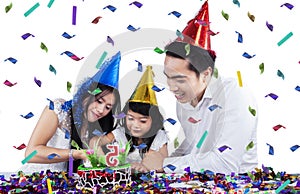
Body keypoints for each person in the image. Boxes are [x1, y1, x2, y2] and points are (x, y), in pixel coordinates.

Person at [142, 1, 258, 174]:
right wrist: (151, 165)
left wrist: (164, 164)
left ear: (205, 74)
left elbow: (225, 164)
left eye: (180, 79)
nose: (172, 87)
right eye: (168, 78)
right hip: (200, 184)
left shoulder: (235, 94)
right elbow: (192, 149)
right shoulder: (185, 99)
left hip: (239, 186)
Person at [20, 51, 122, 173]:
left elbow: (98, 164)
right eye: (99, 101)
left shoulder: (95, 129)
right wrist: (75, 154)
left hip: (64, 186)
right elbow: (30, 154)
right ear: (87, 94)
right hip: (36, 181)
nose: (101, 110)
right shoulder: (58, 109)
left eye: (108, 107)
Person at [89, 66, 168, 172]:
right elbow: (94, 141)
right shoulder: (120, 133)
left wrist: (146, 168)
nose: (135, 125)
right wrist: (103, 159)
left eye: (143, 121)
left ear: (154, 120)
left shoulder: (159, 137)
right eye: (131, 118)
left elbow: (164, 164)